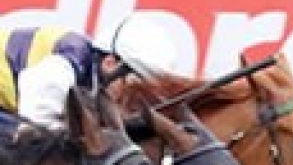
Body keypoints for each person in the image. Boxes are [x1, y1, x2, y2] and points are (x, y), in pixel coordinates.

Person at [0, 16, 178, 139]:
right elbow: (36, 128)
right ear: (110, 63)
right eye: (135, 83)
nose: (135, 96)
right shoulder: (72, 58)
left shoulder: (93, 80)